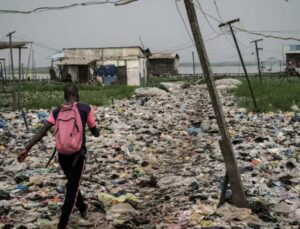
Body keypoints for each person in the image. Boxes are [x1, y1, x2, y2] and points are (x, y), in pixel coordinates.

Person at [18, 83, 100, 229]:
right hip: (77, 156)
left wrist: (27, 148)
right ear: (78, 95)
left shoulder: (56, 112)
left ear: (64, 96)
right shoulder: (85, 109)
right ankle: (62, 224)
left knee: (73, 183)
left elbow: (43, 130)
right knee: (72, 189)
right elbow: (95, 132)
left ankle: (82, 208)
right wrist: (94, 131)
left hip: (62, 155)